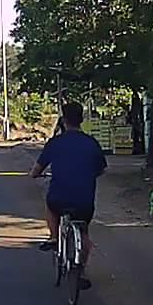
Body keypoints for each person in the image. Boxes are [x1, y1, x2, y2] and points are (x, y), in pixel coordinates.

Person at [29, 101, 107, 289]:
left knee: (50, 206)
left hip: (59, 197)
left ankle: (54, 236)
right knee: (84, 232)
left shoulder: (55, 143)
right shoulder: (91, 143)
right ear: (82, 119)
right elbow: (101, 170)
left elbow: (35, 171)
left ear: (63, 120)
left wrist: (37, 175)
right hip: (84, 201)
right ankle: (81, 270)